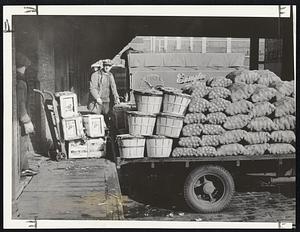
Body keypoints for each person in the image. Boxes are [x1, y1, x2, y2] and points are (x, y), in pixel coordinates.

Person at [16, 52, 38, 177]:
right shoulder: (21, 83)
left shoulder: (17, 80)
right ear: (23, 66)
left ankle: (24, 167)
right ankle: (23, 168)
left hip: (18, 118)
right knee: (22, 143)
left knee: (22, 143)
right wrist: (26, 120)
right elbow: (21, 103)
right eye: (26, 67)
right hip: (20, 119)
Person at [88, 59, 120, 127]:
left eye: (109, 66)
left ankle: (107, 135)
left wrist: (116, 97)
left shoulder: (110, 75)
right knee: (96, 120)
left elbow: (113, 87)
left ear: (111, 67)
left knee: (108, 119)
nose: (107, 67)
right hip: (97, 102)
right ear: (103, 66)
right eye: (106, 65)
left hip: (107, 101)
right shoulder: (95, 75)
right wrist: (97, 98)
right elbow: (92, 88)